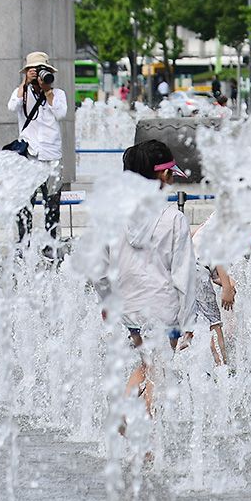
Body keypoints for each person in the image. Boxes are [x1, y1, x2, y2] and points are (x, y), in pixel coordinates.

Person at [94, 140, 195, 417]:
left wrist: (108, 302)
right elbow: (184, 274)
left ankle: (125, 411)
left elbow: (100, 268)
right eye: (171, 174)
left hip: (131, 309)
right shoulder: (173, 218)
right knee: (158, 372)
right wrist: (189, 321)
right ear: (163, 176)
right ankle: (146, 440)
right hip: (165, 311)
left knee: (149, 363)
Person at [8, 51, 68, 249]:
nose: (41, 74)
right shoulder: (22, 93)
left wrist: (48, 90)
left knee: (52, 204)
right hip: (30, 157)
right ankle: (23, 245)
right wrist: (25, 84)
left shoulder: (58, 94)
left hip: (52, 156)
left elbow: (61, 113)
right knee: (25, 204)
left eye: (44, 70)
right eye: (36, 71)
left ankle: (51, 246)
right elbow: (12, 106)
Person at [185, 214, 236, 370]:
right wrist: (227, 288)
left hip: (186, 269)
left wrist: (229, 284)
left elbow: (191, 235)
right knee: (214, 324)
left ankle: (186, 365)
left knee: (188, 321)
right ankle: (222, 369)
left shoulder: (212, 219)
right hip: (199, 271)